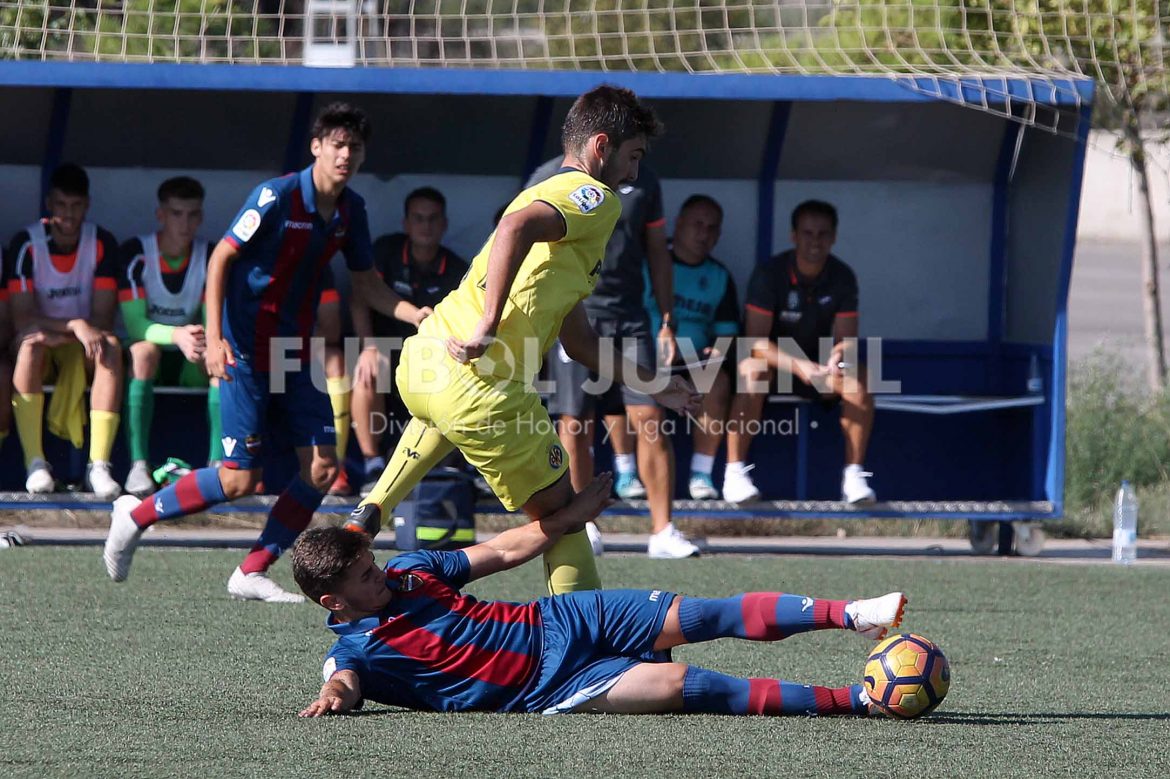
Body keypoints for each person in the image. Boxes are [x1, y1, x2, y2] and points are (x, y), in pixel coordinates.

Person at [348, 85, 700, 595]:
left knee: (441, 417)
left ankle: (369, 511)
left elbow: (580, 343)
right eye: (633, 156)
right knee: (566, 518)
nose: (634, 174)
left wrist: (658, 385)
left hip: (426, 361)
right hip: (482, 384)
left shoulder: (553, 207)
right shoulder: (596, 198)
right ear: (601, 146)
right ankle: (590, 653)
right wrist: (489, 324)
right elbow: (514, 226)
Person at [102, 102, 429, 602]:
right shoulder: (275, 197)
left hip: (296, 354)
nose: (346, 155)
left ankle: (251, 569)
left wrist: (416, 315)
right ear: (317, 146)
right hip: (245, 350)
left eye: (355, 147)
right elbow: (221, 259)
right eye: (337, 144)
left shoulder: (350, 211)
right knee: (239, 481)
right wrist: (214, 340)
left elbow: (366, 283)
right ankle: (136, 514)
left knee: (321, 469)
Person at [292, 480, 907, 718]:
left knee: (701, 615)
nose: (380, 576)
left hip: (563, 618)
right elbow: (343, 684)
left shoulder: (411, 572)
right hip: (549, 689)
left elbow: (503, 551)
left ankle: (852, 615)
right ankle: (859, 702)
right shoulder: (356, 651)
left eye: (373, 564)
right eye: (364, 578)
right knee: (690, 687)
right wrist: (332, 698)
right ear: (331, 602)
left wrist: (572, 515)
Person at [527, 150, 693, 559]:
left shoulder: (645, 180)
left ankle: (662, 531)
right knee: (575, 422)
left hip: (631, 316)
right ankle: (584, 528)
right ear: (600, 139)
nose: (634, 159)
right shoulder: (547, 176)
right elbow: (523, 246)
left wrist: (667, 319)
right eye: (631, 144)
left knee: (650, 416)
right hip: (573, 314)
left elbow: (657, 249)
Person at [722, 200, 876, 505]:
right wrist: (801, 367)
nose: (815, 242)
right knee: (752, 371)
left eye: (822, 234)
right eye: (807, 233)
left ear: (833, 237)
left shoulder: (843, 276)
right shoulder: (770, 274)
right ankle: (734, 474)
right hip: (775, 366)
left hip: (817, 369)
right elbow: (754, 341)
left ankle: (854, 476)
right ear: (793, 236)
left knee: (860, 377)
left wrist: (838, 357)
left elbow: (847, 339)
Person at [5, 163, 124, 499]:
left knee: (111, 346)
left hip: (81, 345)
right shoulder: (26, 244)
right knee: (31, 344)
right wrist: (73, 325)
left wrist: (79, 331)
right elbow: (22, 318)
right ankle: (36, 463)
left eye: (75, 206)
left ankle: (98, 465)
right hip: (46, 342)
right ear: (48, 204)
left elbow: (102, 317)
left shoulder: (101, 242)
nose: (68, 215)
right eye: (60, 205)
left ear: (86, 205)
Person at [349, 187, 468, 495]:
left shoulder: (456, 269)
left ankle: (457, 467)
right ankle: (372, 464)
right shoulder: (385, 252)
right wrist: (368, 346)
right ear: (406, 223)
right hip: (387, 356)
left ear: (444, 224)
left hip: (433, 364)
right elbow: (359, 297)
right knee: (368, 368)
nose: (425, 226)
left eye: (432, 219)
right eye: (418, 218)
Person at [118, 176, 218, 497]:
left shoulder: (211, 256)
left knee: (221, 359)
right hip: (157, 355)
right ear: (160, 215)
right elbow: (135, 326)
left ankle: (219, 468)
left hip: (191, 356)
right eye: (176, 214)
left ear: (201, 217)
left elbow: (211, 318)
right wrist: (177, 334)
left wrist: (201, 341)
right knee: (143, 350)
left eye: (192, 215)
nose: (185, 224)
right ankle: (138, 466)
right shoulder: (136, 254)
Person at [645, 195, 739, 500]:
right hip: (644, 357)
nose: (704, 234)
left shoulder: (719, 276)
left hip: (692, 361)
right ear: (679, 224)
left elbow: (726, 334)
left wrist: (718, 352)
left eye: (712, 228)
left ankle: (701, 474)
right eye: (697, 225)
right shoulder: (650, 262)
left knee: (717, 378)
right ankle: (627, 474)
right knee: (624, 378)